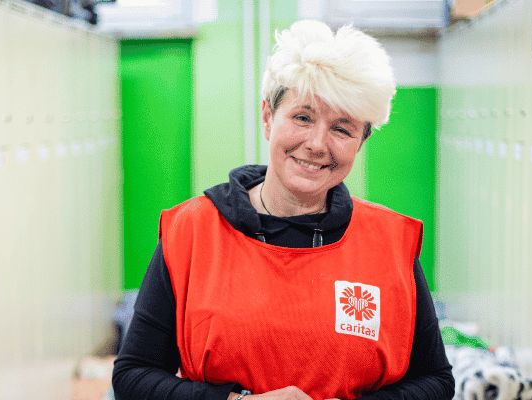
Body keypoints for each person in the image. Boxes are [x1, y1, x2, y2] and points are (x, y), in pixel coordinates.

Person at [112, 20, 454, 400]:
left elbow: (436, 380)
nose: (317, 144)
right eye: (302, 117)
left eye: (343, 129)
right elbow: (133, 376)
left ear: (361, 142)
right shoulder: (194, 230)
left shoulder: (390, 242)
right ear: (267, 118)